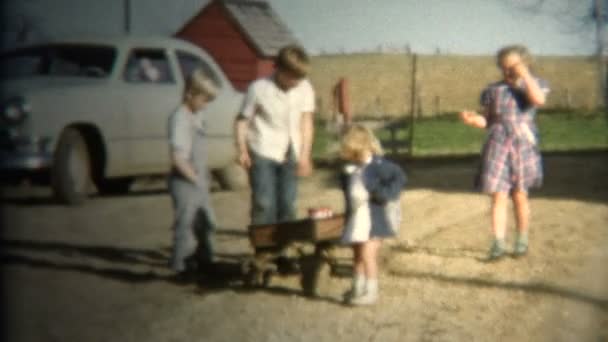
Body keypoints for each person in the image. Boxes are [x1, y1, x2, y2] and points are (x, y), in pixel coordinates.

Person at [459, 45, 549, 261]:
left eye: (514, 66)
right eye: (504, 67)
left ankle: (521, 240)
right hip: (498, 142)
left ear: (526, 63)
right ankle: (498, 243)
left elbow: (538, 100)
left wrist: (525, 76)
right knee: (498, 195)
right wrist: (473, 120)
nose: (509, 71)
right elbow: (488, 120)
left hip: (523, 142)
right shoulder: (493, 90)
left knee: (519, 194)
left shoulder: (537, 85)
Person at [234, 45, 315, 225]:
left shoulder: (305, 87)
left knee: (288, 202)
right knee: (264, 202)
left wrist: (305, 155)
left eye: (300, 77)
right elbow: (242, 120)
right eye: (293, 77)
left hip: (291, 150)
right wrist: (242, 150)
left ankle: (285, 246)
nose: (297, 82)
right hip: (263, 149)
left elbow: (306, 122)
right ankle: (264, 249)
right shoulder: (258, 88)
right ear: (280, 69)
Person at [339, 125, 407, 305]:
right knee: (358, 255)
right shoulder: (352, 169)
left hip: (374, 219)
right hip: (357, 219)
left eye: (355, 153)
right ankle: (357, 288)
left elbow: (399, 177)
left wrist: (384, 193)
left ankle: (371, 292)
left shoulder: (378, 166)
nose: (353, 157)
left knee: (368, 254)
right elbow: (349, 193)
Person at [167, 68, 218, 277]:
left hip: (199, 178)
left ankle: (204, 260)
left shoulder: (197, 115)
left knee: (207, 222)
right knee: (186, 223)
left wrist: (203, 178)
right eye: (204, 99)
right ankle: (181, 265)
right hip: (185, 179)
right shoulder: (180, 118)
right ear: (190, 94)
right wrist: (194, 178)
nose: (206, 105)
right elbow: (178, 157)